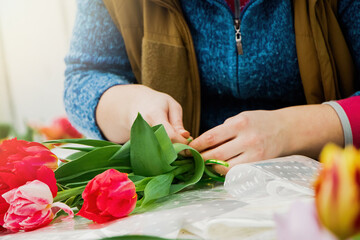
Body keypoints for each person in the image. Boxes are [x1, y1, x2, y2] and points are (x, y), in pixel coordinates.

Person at [64, 0, 360, 175]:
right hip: (188, 205)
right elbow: (85, 76)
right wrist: (128, 107)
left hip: (329, 188)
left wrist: (294, 130)